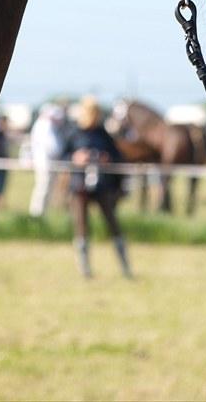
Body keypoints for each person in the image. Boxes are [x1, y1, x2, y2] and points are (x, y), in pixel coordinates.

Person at [62, 96, 132, 279]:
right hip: (79, 186)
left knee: (113, 224)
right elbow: (62, 157)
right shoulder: (74, 133)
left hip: (102, 186)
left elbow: (118, 157)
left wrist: (106, 159)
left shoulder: (103, 134)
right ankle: (85, 269)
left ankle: (125, 267)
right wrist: (75, 159)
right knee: (81, 226)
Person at [28, 103, 65, 217]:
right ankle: (37, 215)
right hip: (45, 163)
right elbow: (52, 146)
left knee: (45, 189)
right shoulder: (45, 125)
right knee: (43, 188)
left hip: (48, 162)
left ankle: (40, 214)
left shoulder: (45, 125)